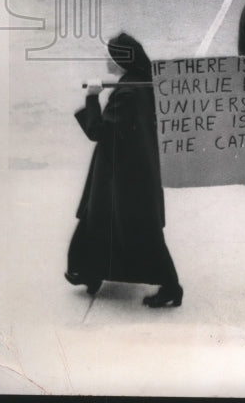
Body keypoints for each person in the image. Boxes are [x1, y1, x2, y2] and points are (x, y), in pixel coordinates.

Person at [65, 32, 183, 307]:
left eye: (110, 55)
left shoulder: (127, 92)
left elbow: (99, 132)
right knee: (110, 222)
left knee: (126, 226)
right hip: (133, 168)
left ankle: (170, 286)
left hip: (122, 174)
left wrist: (92, 98)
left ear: (120, 61)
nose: (107, 59)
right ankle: (90, 271)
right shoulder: (140, 84)